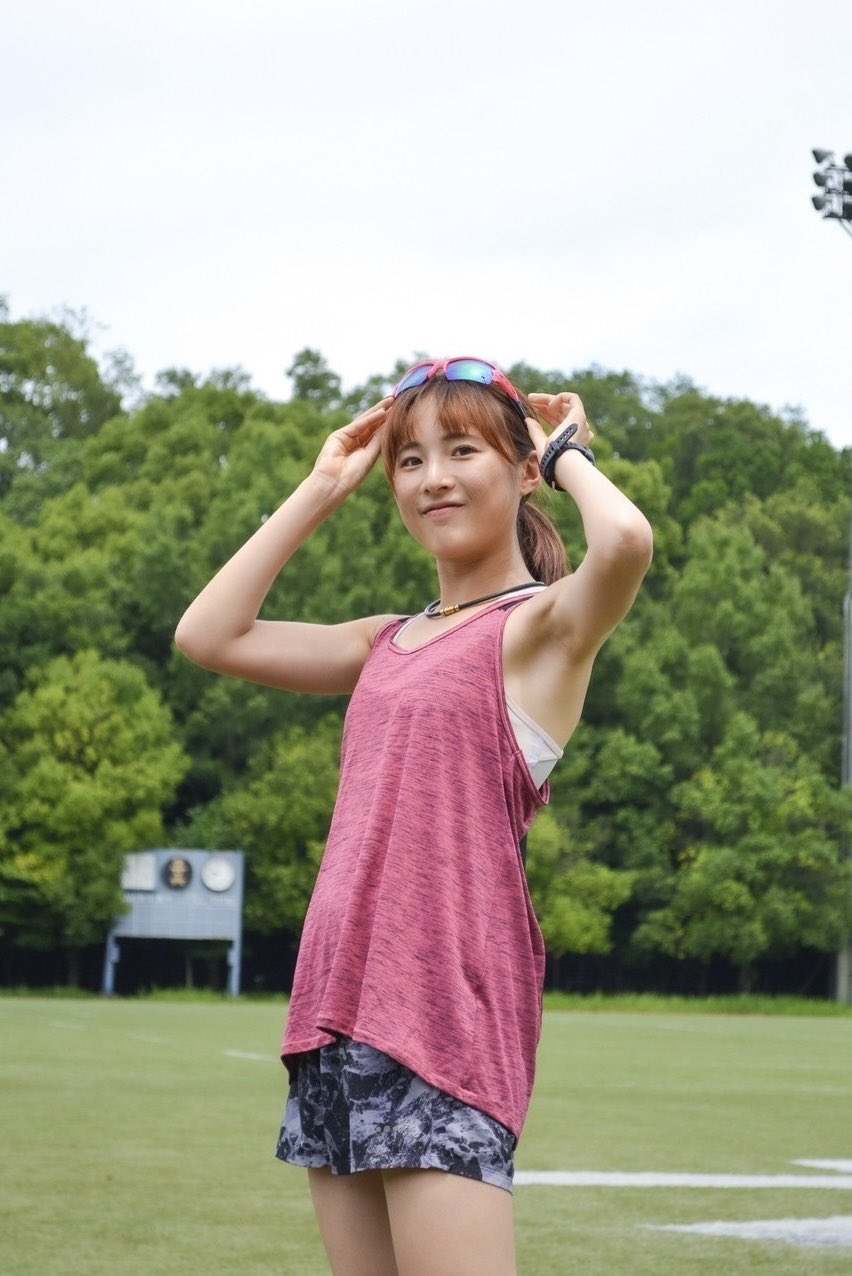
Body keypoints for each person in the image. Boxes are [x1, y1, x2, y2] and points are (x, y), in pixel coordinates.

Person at [174, 356, 653, 1276]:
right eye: (410, 459)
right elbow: (208, 634)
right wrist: (324, 486)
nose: (433, 477)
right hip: (333, 1011)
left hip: (443, 1023)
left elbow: (626, 540)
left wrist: (567, 453)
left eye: (462, 450)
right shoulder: (382, 641)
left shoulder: (539, 630)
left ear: (523, 472)